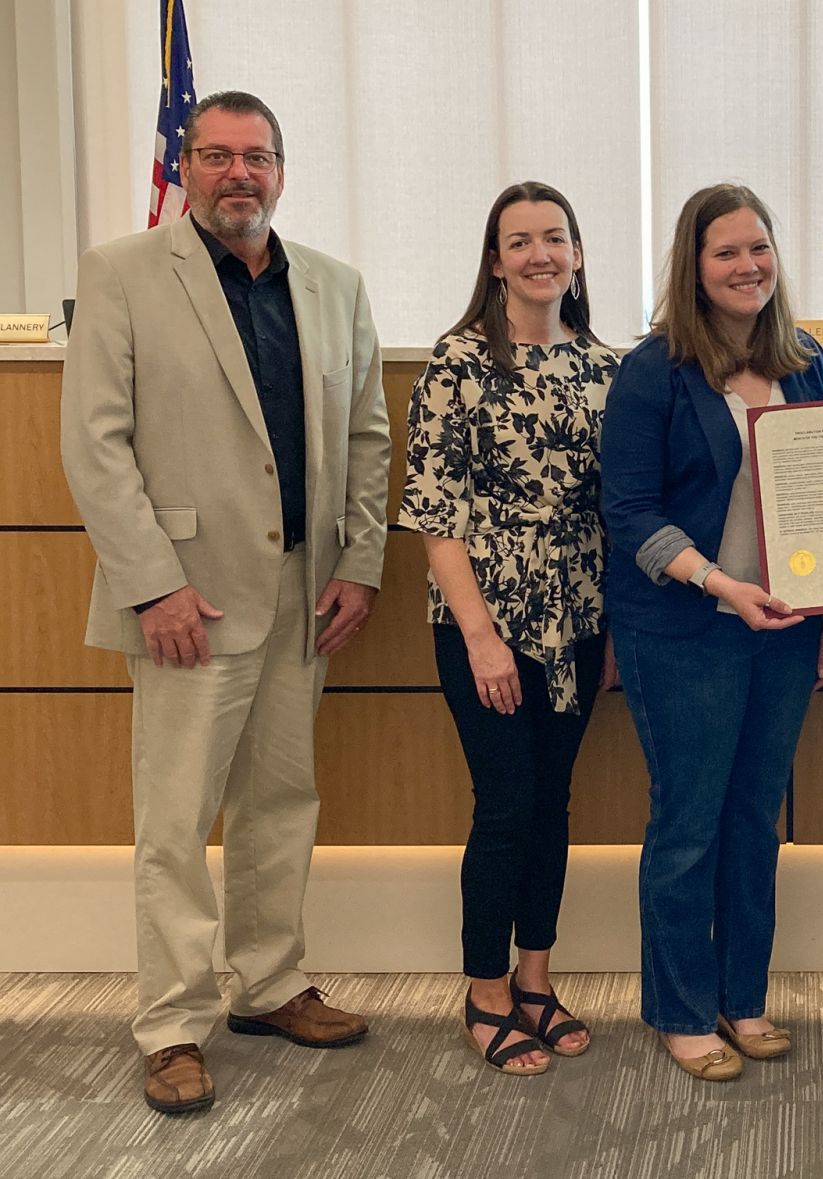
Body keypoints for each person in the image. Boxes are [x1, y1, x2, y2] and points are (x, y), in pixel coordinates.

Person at [59, 91, 389, 1114]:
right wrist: (151, 583)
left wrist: (361, 562)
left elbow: (367, 438)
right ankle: (171, 1024)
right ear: (187, 169)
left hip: (305, 597)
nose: (238, 173)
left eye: (257, 157)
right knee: (174, 821)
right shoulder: (121, 273)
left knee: (282, 806)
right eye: (217, 156)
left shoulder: (334, 286)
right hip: (188, 605)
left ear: (282, 169)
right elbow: (96, 445)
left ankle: (272, 981)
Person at [601, 184, 823, 1081]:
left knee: (754, 816)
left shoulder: (806, 360)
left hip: (783, 633)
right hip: (684, 628)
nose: (747, 266)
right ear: (693, 267)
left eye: (759, 248)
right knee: (690, 820)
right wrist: (720, 582)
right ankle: (680, 1008)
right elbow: (627, 512)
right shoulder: (654, 369)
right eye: (725, 253)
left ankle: (744, 997)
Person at [400, 182, 619, 1076]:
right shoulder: (458, 361)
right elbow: (434, 514)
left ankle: (538, 979)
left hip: (582, 615)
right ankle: (485, 988)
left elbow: (620, 508)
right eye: (519, 240)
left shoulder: (609, 367)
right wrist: (482, 636)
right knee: (506, 802)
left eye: (555, 238)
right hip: (485, 619)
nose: (540, 254)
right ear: (495, 260)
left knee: (554, 801)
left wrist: (611, 636)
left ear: (575, 253)